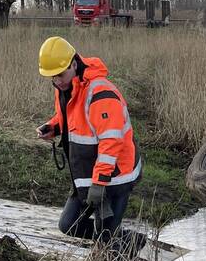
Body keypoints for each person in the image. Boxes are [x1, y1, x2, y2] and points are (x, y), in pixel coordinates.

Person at [36, 36, 142, 250]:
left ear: (74, 64)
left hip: (115, 177)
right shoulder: (66, 88)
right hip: (87, 176)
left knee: (105, 239)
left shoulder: (100, 93)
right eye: (52, 78)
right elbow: (72, 117)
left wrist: (100, 182)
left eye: (60, 75)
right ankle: (125, 240)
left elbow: (111, 142)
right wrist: (54, 127)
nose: (57, 81)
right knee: (68, 224)